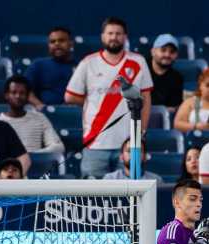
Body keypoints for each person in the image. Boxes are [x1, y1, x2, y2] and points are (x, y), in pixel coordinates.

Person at [65, 17, 153, 179]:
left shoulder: (138, 61)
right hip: (96, 142)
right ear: (103, 36)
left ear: (125, 36)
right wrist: (93, 101)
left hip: (129, 142)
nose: (114, 37)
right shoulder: (88, 62)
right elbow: (70, 96)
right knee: (93, 197)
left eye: (118, 33)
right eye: (110, 33)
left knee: (130, 196)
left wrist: (141, 131)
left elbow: (146, 99)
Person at [0, 75, 64, 154]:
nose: (18, 96)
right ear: (6, 95)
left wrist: (33, 155)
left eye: (22, 93)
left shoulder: (40, 118)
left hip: (36, 164)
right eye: (14, 92)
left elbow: (58, 147)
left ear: (28, 96)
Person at [24, 26, 75, 108]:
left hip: (74, 114)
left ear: (71, 43)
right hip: (43, 115)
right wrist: (40, 106)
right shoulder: (38, 65)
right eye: (52, 41)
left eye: (61, 40)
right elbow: (25, 90)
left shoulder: (81, 66)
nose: (57, 44)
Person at [149, 34, 183, 111]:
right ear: (153, 52)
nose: (167, 55)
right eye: (163, 50)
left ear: (176, 55)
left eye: (172, 52)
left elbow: (173, 109)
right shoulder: (139, 70)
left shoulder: (177, 78)